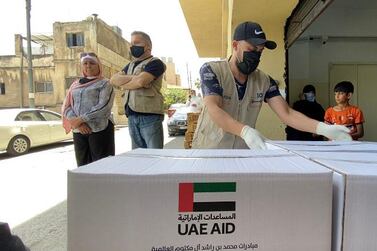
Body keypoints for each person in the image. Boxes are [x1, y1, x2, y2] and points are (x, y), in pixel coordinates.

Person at [192, 21, 352, 149]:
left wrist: (324, 129)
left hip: (242, 153)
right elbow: (214, 108)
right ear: (235, 46)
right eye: (251, 49)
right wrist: (245, 131)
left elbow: (287, 114)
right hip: (210, 151)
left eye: (260, 51)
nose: (256, 55)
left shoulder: (263, 81)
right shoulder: (212, 71)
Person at [110, 31, 166, 149]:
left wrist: (127, 82)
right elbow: (114, 79)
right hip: (131, 116)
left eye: (136, 43)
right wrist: (136, 79)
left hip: (149, 116)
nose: (132, 46)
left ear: (148, 47)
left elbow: (141, 82)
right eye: (131, 43)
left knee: (154, 156)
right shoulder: (130, 65)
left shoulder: (156, 63)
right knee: (138, 156)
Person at [62, 52, 115, 166]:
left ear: (98, 66)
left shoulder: (105, 83)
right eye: (85, 63)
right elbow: (67, 106)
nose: (88, 66)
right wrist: (78, 124)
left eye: (92, 63)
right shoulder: (75, 85)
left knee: (102, 165)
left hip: (99, 129)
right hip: (79, 130)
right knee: (83, 165)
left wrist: (81, 119)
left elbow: (104, 106)